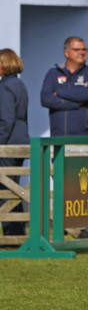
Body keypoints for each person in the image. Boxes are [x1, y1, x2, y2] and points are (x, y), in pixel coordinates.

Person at [40, 36, 88, 136]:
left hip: (84, 137)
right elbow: (46, 99)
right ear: (66, 53)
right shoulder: (53, 73)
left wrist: (59, 92)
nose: (82, 52)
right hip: (58, 138)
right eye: (77, 50)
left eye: (84, 49)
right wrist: (76, 104)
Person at [0, 49, 29, 236]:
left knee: (5, 188)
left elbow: (6, 120)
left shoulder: (5, 87)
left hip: (8, 143)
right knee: (14, 187)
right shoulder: (20, 84)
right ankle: (17, 231)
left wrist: (0, 143)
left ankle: (12, 233)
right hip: (21, 141)